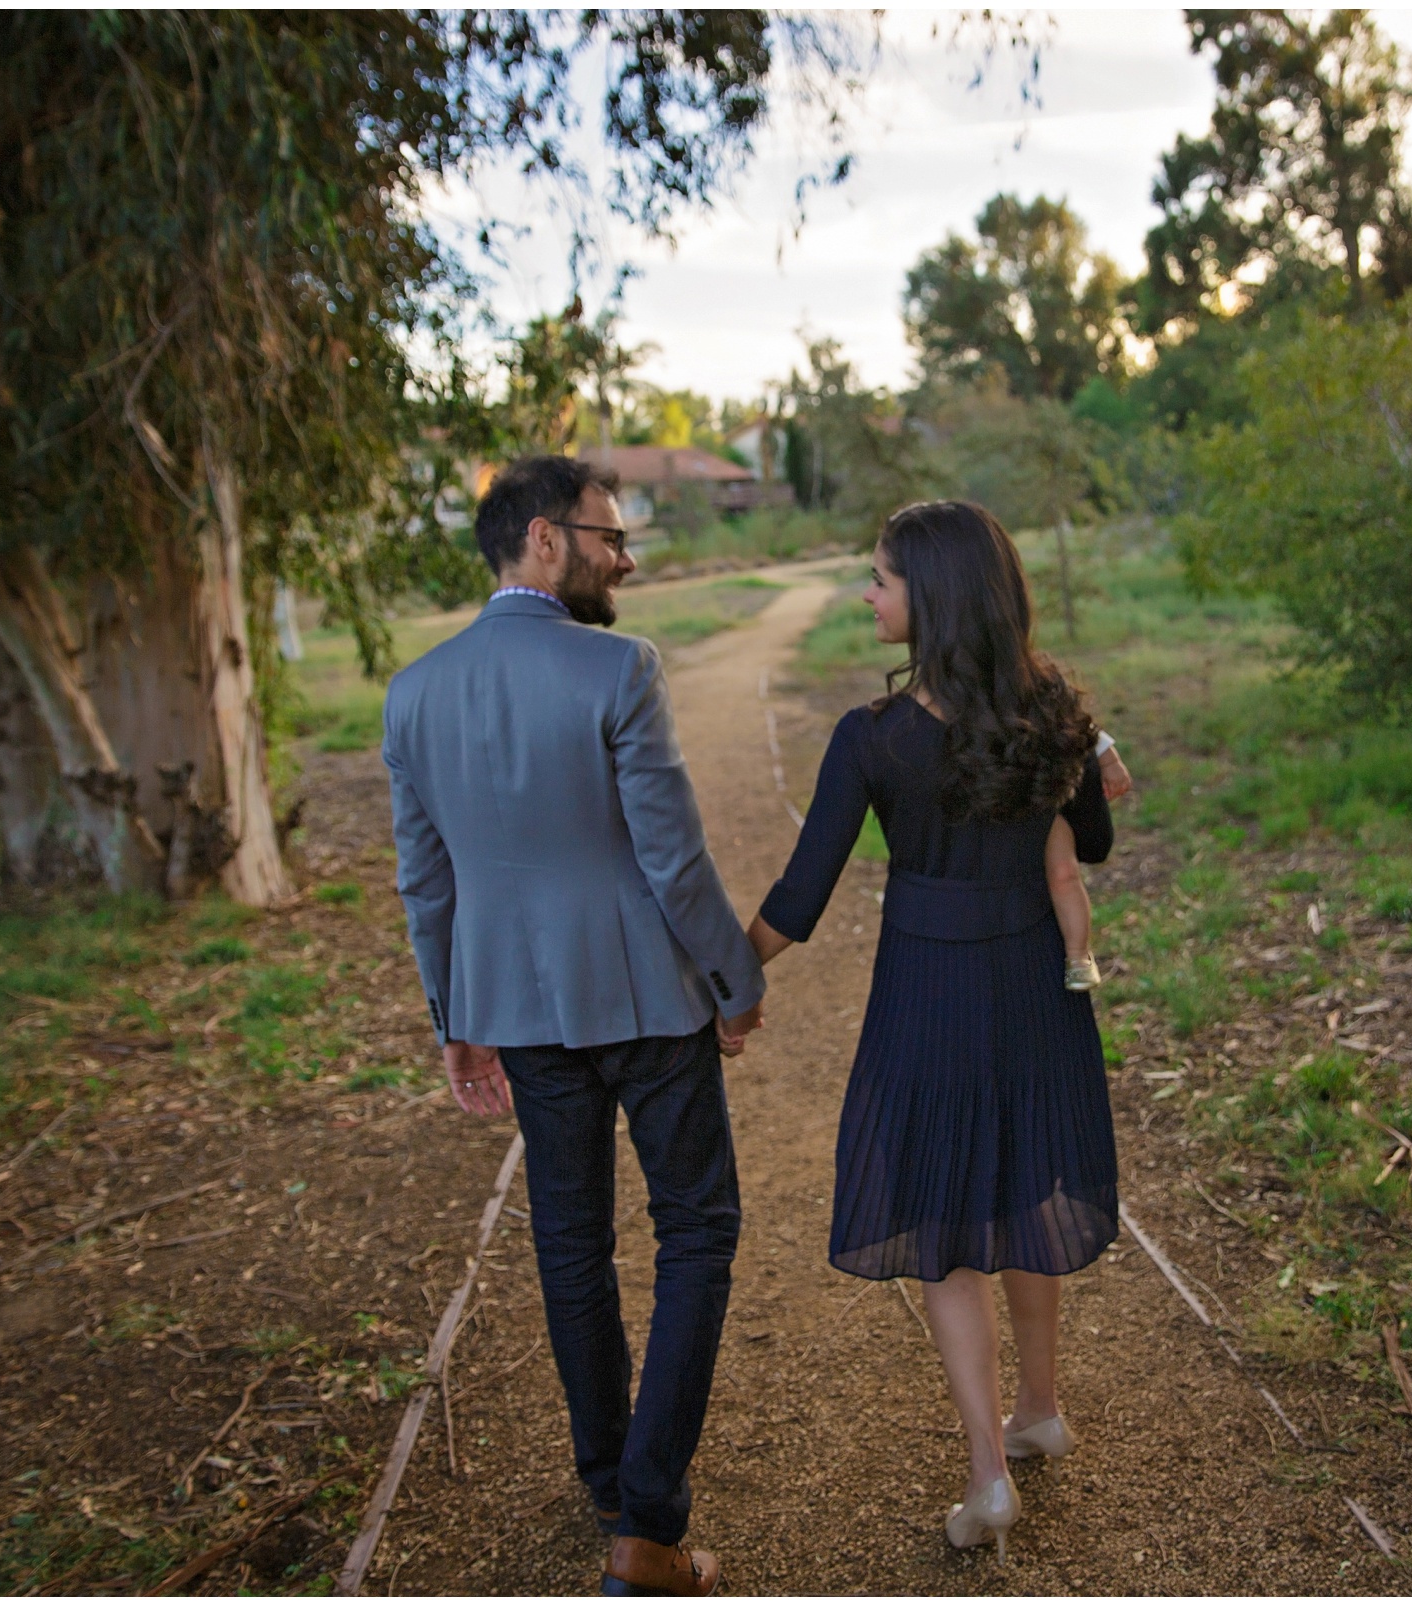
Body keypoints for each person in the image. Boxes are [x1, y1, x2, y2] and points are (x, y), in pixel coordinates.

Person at [384, 455, 765, 1598]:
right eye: (610, 535)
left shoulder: (413, 691)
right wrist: (734, 978)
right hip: (648, 998)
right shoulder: (619, 668)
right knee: (696, 1231)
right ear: (545, 539)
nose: (626, 556)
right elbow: (672, 857)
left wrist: (454, 1015)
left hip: (519, 1011)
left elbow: (426, 879)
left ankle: (609, 1476)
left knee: (571, 1243)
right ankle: (647, 1525)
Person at [743, 500, 1119, 1567]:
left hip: (929, 990)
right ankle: (1039, 1407)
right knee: (1024, 1182)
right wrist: (1097, 764)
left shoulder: (875, 738)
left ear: (935, 599)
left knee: (946, 1223)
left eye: (880, 577)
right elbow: (1090, 840)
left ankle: (988, 1473)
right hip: (1037, 988)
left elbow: (799, 899)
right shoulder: (1056, 717)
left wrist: (723, 983)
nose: (867, 593)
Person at [1045, 726, 1132, 991]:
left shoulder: (1042, 690)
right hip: (995, 790)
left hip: (1045, 798)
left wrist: (1109, 759)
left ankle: (1078, 955)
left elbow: (1076, 720)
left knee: (1064, 874)